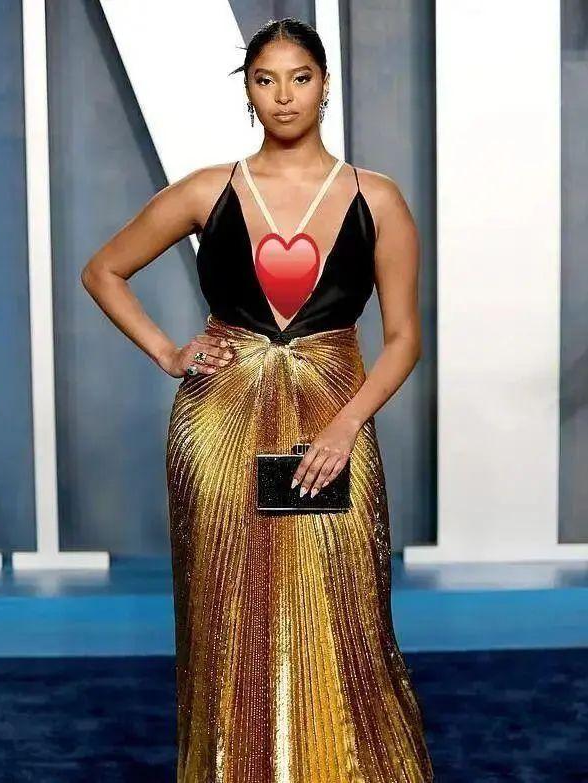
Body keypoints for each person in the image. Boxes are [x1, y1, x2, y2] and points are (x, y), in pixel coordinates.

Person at [82, 16, 434, 783]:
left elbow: (404, 337)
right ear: (247, 90)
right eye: (265, 79)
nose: (283, 96)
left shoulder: (375, 197)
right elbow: (102, 269)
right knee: (226, 608)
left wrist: (345, 426)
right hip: (219, 424)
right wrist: (168, 351)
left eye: (299, 78)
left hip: (331, 416)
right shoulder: (208, 190)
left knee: (341, 607)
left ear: (324, 85)